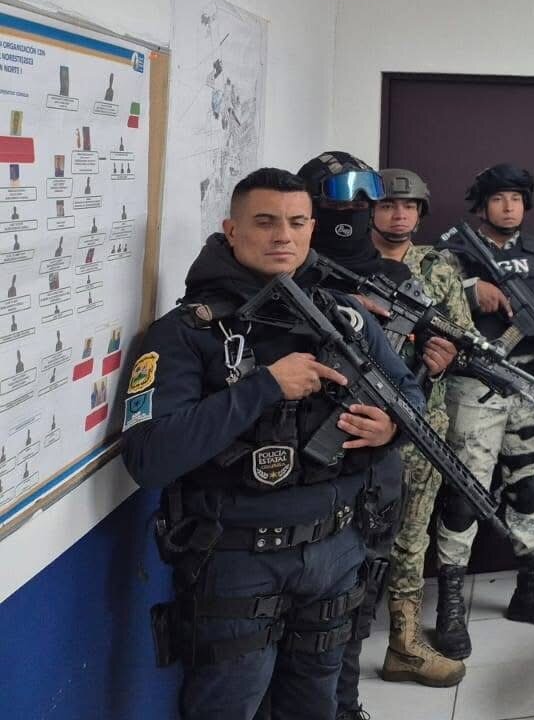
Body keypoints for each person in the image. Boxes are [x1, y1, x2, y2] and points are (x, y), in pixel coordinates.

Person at [121, 168, 420, 720]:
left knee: (315, 705)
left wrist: (390, 427)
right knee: (228, 706)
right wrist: (264, 388)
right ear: (232, 230)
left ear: (312, 230)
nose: (283, 235)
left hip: (335, 551)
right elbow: (149, 456)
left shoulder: (345, 315)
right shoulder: (187, 331)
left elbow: (409, 395)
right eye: (265, 222)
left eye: (297, 222)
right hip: (237, 560)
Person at [296, 152, 459, 720]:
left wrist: (427, 375)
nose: (369, 210)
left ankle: (354, 697)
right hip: (302, 473)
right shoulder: (293, 274)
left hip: (379, 458)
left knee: (360, 590)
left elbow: (409, 379)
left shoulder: (403, 280)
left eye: (379, 198)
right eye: (380, 202)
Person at [434, 163, 534, 652]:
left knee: (530, 488)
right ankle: (450, 606)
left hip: (532, 386)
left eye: (517, 199)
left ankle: (530, 589)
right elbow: (421, 301)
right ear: (482, 205)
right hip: (474, 385)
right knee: (464, 495)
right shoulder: (452, 252)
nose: (509, 207)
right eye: (499, 198)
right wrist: (468, 290)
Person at [368, 167, 470, 688]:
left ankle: (403, 644)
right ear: (370, 210)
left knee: (410, 538)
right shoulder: (346, 264)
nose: (399, 215)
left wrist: (446, 357)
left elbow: (464, 338)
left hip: (421, 423)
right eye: (388, 205)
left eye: (409, 206)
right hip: (355, 421)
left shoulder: (439, 267)